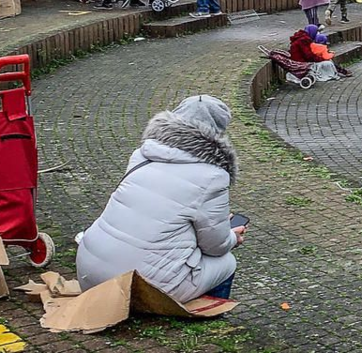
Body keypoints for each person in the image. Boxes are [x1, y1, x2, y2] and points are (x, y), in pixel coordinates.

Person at [76, 95, 244, 302]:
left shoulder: (141, 156)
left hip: (90, 271)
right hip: (141, 285)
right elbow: (215, 246)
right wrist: (233, 237)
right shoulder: (213, 176)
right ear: (218, 131)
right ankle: (206, 313)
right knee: (226, 262)